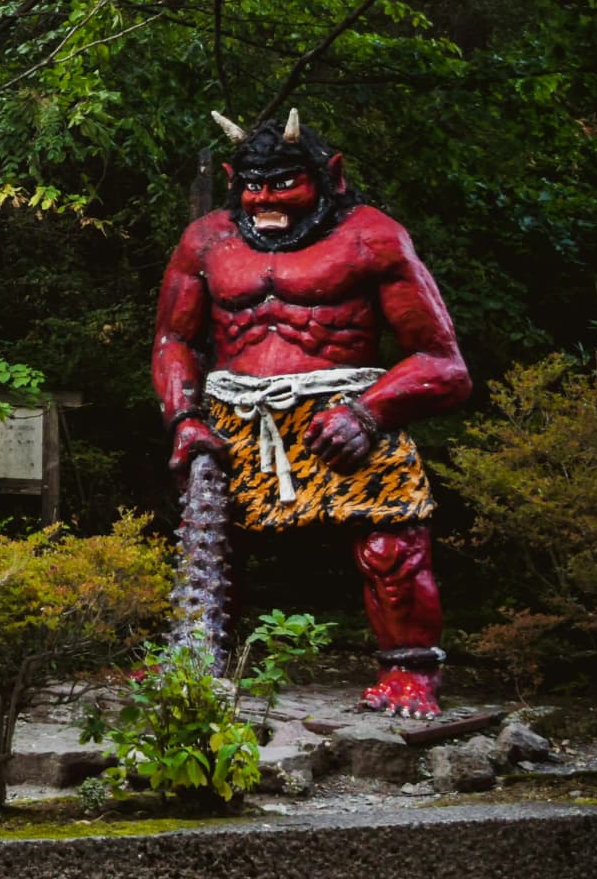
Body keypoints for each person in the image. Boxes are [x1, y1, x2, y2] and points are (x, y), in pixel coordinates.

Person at [152, 108, 471, 717]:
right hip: (235, 419)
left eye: (283, 183)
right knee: (207, 544)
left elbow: (443, 363)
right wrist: (184, 417)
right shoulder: (206, 240)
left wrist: (367, 414)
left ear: (331, 175)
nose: (265, 200)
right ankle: (194, 665)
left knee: (391, 546)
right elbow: (174, 341)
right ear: (232, 180)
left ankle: (410, 674)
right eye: (253, 185)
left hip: (347, 414)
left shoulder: (373, 237)